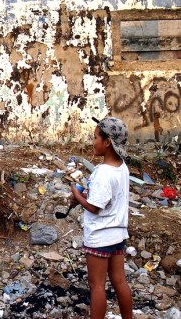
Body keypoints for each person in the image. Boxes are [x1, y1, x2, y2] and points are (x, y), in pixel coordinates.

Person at [70, 117, 133, 319]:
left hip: (100, 237)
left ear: (107, 142)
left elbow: (95, 207)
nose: (93, 141)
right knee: (120, 281)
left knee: (97, 285)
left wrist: (77, 195)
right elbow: (107, 197)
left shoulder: (103, 172)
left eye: (95, 137)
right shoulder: (121, 167)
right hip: (117, 234)